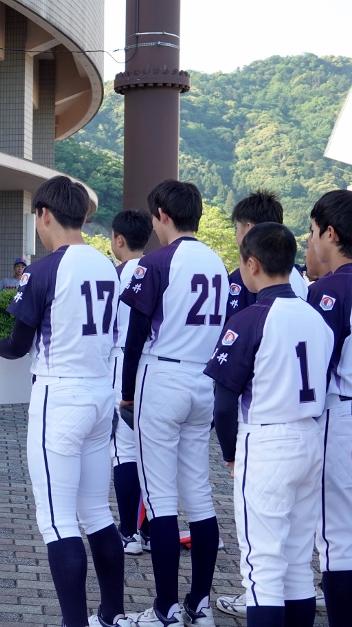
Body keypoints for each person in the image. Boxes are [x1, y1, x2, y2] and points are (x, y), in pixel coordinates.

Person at [0, 176, 125, 627]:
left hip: (60, 394)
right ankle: (112, 614)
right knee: (97, 513)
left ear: (44, 215)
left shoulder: (44, 269)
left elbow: (18, 345)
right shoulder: (107, 265)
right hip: (100, 393)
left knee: (58, 521)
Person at [205, 223, 330, 627]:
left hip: (267, 441)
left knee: (262, 571)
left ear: (252, 264)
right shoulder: (316, 317)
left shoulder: (249, 319)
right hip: (310, 437)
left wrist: (229, 454)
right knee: (297, 565)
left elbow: (224, 404)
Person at [120, 180, 227, 626]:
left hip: (162, 375)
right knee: (199, 496)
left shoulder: (156, 261)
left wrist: (126, 392)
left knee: (161, 498)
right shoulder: (218, 261)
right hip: (204, 378)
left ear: (162, 214)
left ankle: (164, 609)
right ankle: (199, 605)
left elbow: (134, 336)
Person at [305, 189, 352, 626]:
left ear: (331, 234)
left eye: (313, 231)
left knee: (337, 538)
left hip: (341, 415)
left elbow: (317, 365)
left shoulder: (329, 289)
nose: (311, 239)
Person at [107, 210, 153, 556]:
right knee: (150, 449)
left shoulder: (115, 274)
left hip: (122, 358)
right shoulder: (157, 269)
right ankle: (150, 530)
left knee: (123, 449)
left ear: (119, 239)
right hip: (155, 363)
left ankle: (128, 532)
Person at [226, 189, 307, 321]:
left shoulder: (246, 274)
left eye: (237, 228)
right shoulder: (296, 275)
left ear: (249, 228)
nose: (236, 235)